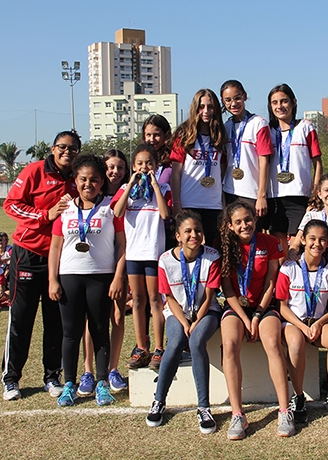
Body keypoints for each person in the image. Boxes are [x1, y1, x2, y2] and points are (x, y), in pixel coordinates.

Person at [1, 130, 80, 401]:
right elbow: (11, 205)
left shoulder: (76, 178)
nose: (67, 152)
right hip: (28, 254)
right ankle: (11, 379)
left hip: (60, 259)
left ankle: (52, 376)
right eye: (62, 147)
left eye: (72, 149)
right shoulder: (35, 171)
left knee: (55, 320)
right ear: (53, 148)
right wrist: (45, 215)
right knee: (21, 319)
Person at [48, 154, 126, 407]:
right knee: (70, 334)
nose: (88, 184)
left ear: (102, 182)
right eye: (83, 179)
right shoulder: (65, 208)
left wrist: (117, 277)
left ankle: (102, 383)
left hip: (100, 277)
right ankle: (69, 383)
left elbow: (122, 245)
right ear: (76, 180)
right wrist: (53, 279)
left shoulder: (110, 207)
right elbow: (56, 248)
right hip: (69, 276)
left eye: (94, 180)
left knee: (100, 331)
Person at [219, 200, 295, 439]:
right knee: (230, 345)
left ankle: (284, 411)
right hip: (236, 308)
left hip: (264, 306)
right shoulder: (223, 246)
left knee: (272, 343)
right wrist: (244, 317)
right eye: (239, 222)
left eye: (248, 220)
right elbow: (228, 289)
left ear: (256, 219)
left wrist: (258, 314)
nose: (245, 225)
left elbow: (272, 282)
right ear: (230, 225)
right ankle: (237, 415)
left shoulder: (270, 242)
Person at [145, 210, 222, 433]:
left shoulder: (212, 256)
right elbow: (169, 297)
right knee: (176, 340)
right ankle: (159, 400)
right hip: (177, 313)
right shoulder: (165, 260)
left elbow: (209, 296)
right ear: (178, 235)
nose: (193, 235)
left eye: (197, 230)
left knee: (197, 342)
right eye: (187, 231)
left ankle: (204, 407)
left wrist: (196, 322)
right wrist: (185, 323)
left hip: (207, 312)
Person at [277, 219, 328, 424]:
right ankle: (298, 397)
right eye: (312, 239)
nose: (317, 244)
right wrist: (301, 326)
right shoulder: (289, 268)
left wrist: (317, 324)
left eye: (322, 239)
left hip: (319, 322)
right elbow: (282, 307)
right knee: (296, 343)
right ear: (304, 240)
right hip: (293, 322)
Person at [113, 144, 172, 371]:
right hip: (134, 254)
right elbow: (118, 212)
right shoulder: (126, 189)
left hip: (154, 253)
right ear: (133, 166)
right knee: (137, 301)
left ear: (156, 166)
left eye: (149, 163)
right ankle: (141, 348)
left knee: (155, 301)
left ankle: (158, 348)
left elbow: (166, 215)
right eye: (140, 163)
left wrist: (155, 185)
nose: (144, 167)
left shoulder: (163, 187)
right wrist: (130, 185)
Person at [80, 149, 131, 395]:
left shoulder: (130, 194)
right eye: (111, 167)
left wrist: (120, 274)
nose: (115, 172)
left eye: (120, 167)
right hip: (94, 269)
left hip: (119, 266)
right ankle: (88, 371)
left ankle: (113, 369)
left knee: (118, 317)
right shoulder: (89, 198)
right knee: (92, 321)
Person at [265, 84, 322, 258]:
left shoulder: (305, 127)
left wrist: (316, 192)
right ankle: (282, 283)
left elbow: (317, 162)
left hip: (299, 195)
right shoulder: (267, 130)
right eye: (274, 102)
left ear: (293, 102)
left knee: (298, 248)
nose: (279, 106)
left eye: (284, 101)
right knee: (279, 250)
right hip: (274, 197)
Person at [170, 89, 227, 248]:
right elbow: (176, 173)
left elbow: (221, 173)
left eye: (210, 107)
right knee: (189, 250)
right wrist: (176, 203)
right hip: (189, 203)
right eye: (201, 107)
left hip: (213, 205)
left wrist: (222, 205)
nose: (206, 111)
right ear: (195, 108)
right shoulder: (184, 134)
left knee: (214, 251)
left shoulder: (220, 135)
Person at [220, 80, 272, 227]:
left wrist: (261, 195)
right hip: (230, 191)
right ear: (223, 102)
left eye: (237, 98)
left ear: (244, 96)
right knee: (232, 237)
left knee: (252, 236)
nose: (233, 103)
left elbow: (264, 161)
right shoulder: (226, 127)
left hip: (252, 193)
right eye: (228, 100)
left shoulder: (259, 123)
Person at [142, 114, 175, 250]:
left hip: (167, 225)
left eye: (156, 135)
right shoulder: (141, 161)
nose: (151, 139)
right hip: (146, 225)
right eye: (148, 135)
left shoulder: (172, 161)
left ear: (166, 136)